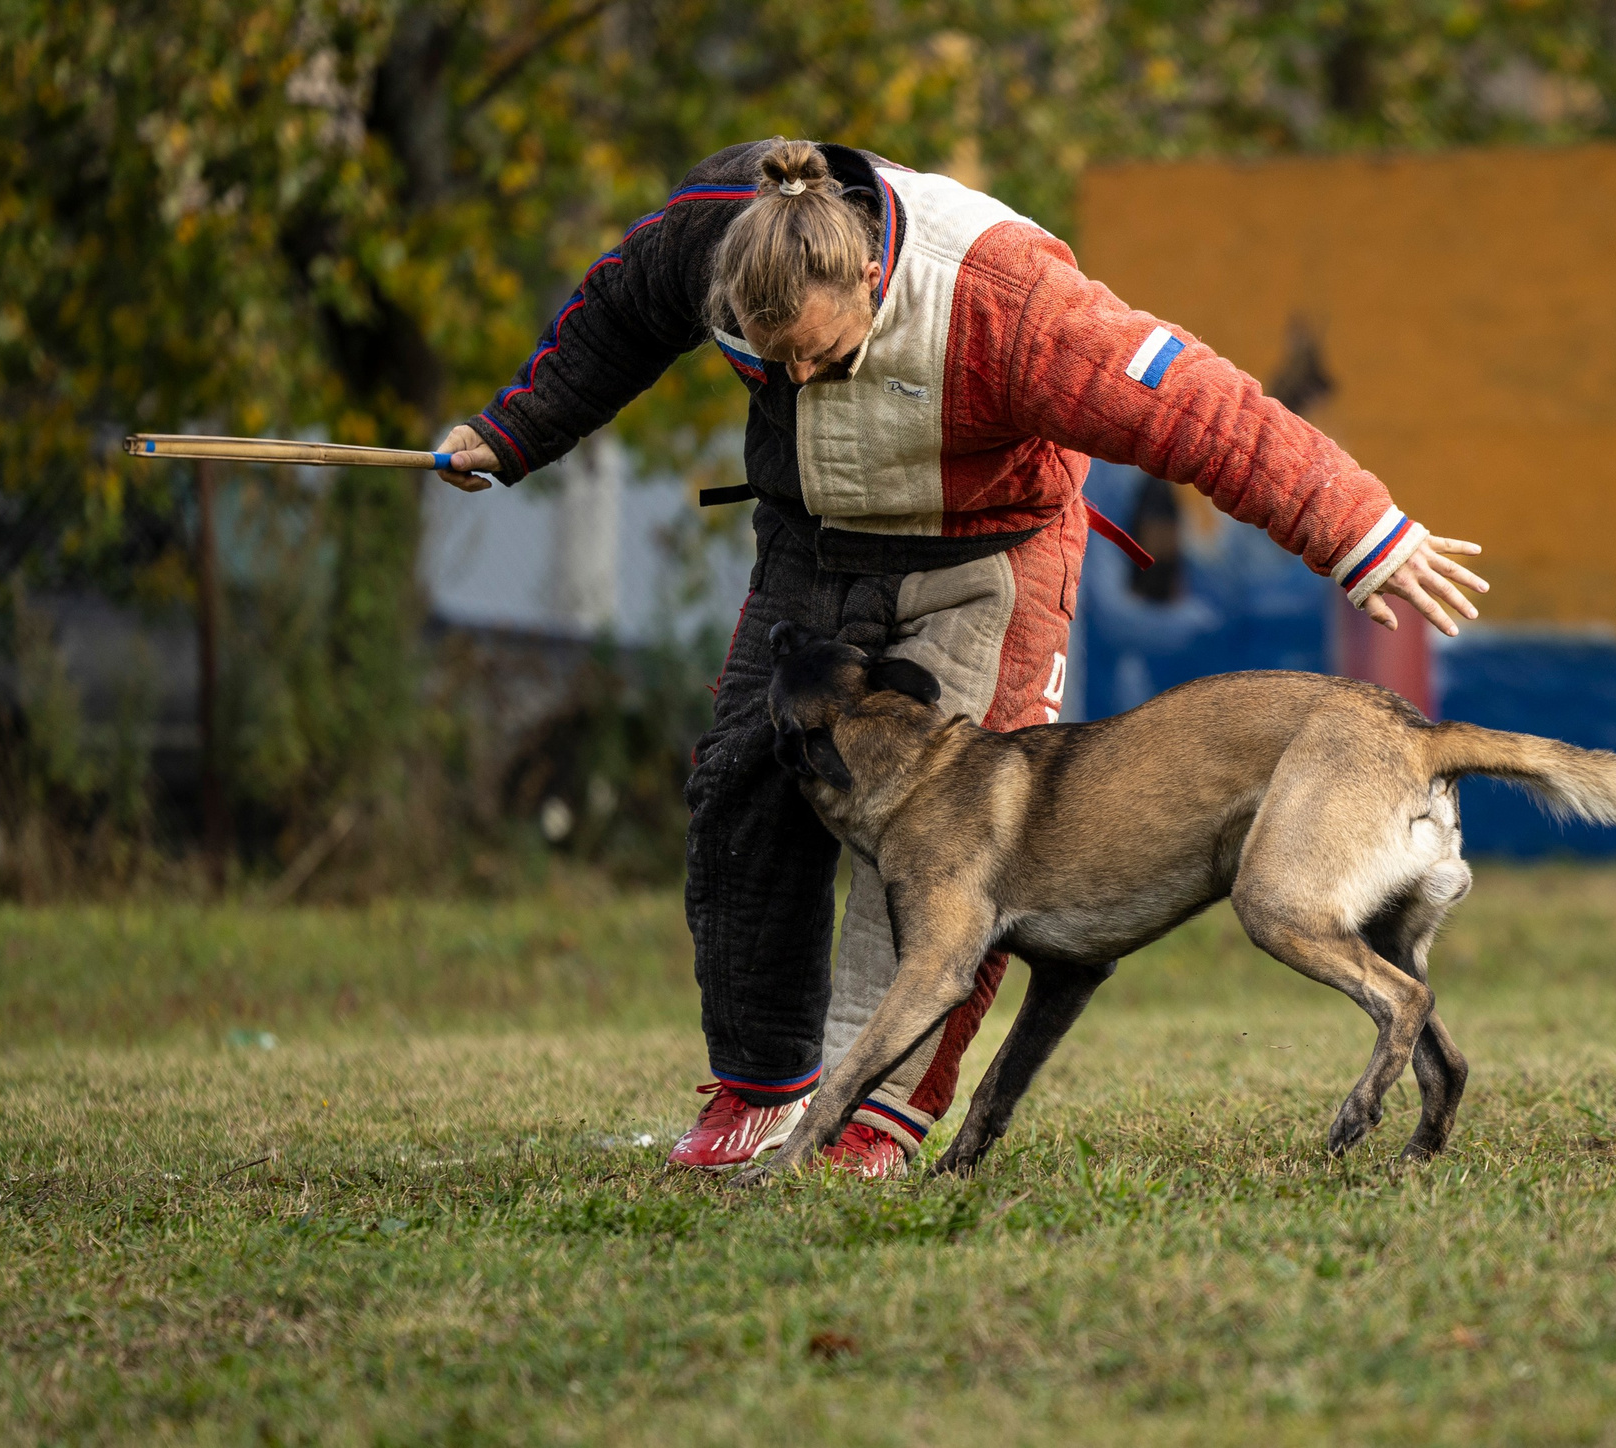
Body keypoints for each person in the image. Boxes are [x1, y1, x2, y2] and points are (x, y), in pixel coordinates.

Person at [432, 138, 1487, 1177]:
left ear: (870, 278)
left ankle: (874, 1121)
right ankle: (759, 1087)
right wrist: (514, 431)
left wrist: (1359, 531)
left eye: (823, 355)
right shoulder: (711, 238)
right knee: (739, 788)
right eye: (771, 360)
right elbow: (611, 321)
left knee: (949, 850)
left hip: (991, 553)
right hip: (813, 545)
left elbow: (1200, 408)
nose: (799, 378)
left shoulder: (1009, 302)